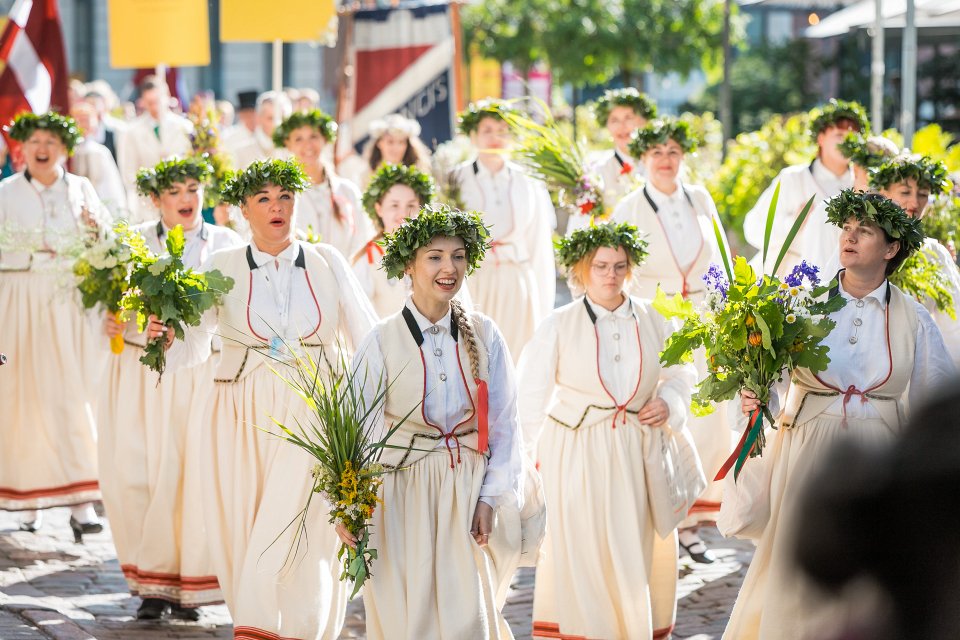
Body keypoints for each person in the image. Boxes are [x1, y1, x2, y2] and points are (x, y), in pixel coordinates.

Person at [724, 190, 956, 640]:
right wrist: (754, 403)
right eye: (846, 229)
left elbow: (934, 397)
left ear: (891, 249)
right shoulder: (801, 303)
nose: (849, 238)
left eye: (864, 231)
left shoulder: (913, 317)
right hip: (807, 448)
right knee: (796, 560)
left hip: (880, 454)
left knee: (870, 569)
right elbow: (770, 384)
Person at [160, 158, 376, 639]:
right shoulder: (220, 266)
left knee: (307, 523)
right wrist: (168, 336)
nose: (277, 207)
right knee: (246, 522)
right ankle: (256, 621)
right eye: (263, 199)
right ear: (242, 209)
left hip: (317, 410)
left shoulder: (328, 262)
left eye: (285, 197)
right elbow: (193, 342)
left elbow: (368, 339)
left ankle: (303, 627)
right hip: (240, 412)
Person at [347, 203, 523, 639]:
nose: (450, 267)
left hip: (464, 489)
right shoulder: (381, 340)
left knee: (467, 614)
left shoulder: (484, 334)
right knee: (406, 613)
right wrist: (349, 506)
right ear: (408, 264)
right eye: (435, 256)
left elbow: (504, 423)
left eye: (459, 255)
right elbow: (356, 427)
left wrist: (490, 497)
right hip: (399, 491)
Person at [518, 222, 697, 640]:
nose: (610, 275)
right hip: (576, 448)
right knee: (584, 548)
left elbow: (681, 372)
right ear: (582, 270)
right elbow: (529, 397)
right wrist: (520, 466)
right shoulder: (558, 325)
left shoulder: (654, 318)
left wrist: (669, 404)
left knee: (631, 544)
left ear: (630, 269)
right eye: (600, 266)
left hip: (636, 446)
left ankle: (629, 629)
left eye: (619, 265)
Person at [98, 157, 242, 620]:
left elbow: (238, 312)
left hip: (202, 377)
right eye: (175, 192)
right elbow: (108, 313)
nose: (187, 199)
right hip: (144, 374)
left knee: (194, 476)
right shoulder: (130, 242)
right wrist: (125, 319)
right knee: (139, 472)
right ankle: (152, 585)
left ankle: (191, 588)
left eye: (194, 189)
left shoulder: (226, 243)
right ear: (155, 199)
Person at [612, 117, 734, 560]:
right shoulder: (629, 207)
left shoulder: (699, 198)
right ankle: (666, 515)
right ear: (643, 157)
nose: (665, 160)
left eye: (673, 152)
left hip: (702, 318)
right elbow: (614, 271)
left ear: (683, 157)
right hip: (656, 319)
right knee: (664, 413)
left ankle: (693, 520)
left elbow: (719, 256)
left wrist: (727, 315)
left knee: (704, 415)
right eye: (657, 153)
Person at [0, 112, 110, 537]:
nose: (42, 148)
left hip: (69, 304)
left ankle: (82, 502)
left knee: (72, 395)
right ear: (22, 148)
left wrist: (96, 232)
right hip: (18, 302)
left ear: (64, 148)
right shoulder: (6, 193)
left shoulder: (80, 189)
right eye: (34, 141)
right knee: (23, 399)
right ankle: (30, 499)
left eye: (50, 140)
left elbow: (106, 244)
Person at [452, 100, 556, 362]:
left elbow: (539, 244)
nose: (495, 137)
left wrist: (543, 298)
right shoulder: (456, 178)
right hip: (473, 278)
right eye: (487, 130)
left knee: (517, 353)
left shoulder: (528, 181)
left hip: (516, 278)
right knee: (474, 352)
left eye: (502, 130)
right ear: (473, 135)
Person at [743, 99, 869, 274]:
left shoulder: (863, 184)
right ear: (821, 138)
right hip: (789, 280)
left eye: (853, 137)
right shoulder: (793, 179)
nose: (847, 143)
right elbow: (753, 228)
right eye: (839, 135)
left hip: (847, 283)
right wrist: (793, 224)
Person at [871, 154, 960, 366]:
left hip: (917, 366)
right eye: (904, 192)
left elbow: (954, 326)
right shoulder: (861, 243)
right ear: (883, 192)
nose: (914, 202)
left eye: (923, 194)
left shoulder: (934, 253)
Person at [273, 109, 371, 257]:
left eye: (314, 136)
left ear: (324, 139)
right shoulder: (281, 195)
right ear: (288, 144)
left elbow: (362, 241)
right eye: (298, 139)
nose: (308, 145)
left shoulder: (348, 191)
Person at [352, 163, 437, 317]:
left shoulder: (435, 252)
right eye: (394, 205)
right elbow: (360, 317)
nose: (403, 213)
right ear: (379, 209)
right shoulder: (369, 260)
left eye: (411, 205)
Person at [117, 75, 193, 222]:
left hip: (180, 202)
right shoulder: (131, 132)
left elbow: (191, 162)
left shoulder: (184, 127)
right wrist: (152, 188)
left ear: (167, 96)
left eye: (157, 101)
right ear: (143, 102)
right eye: (149, 102)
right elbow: (128, 172)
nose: (154, 107)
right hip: (147, 206)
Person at [592, 87, 657, 211]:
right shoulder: (599, 172)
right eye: (614, 120)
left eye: (628, 118)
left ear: (644, 121)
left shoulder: (661, 162)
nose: (622, 126)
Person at [69, 101, 128, 219]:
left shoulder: (100, 152)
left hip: (99, 208)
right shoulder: (66, 151)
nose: (82, 124)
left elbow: (112, 187)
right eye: (79, 120)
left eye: (86, 120)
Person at [223, 91, 292, 171]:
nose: (277, 124)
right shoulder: (241, 152)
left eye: (282, 118)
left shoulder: (293, 150)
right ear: (259, 118)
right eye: (270, 118)